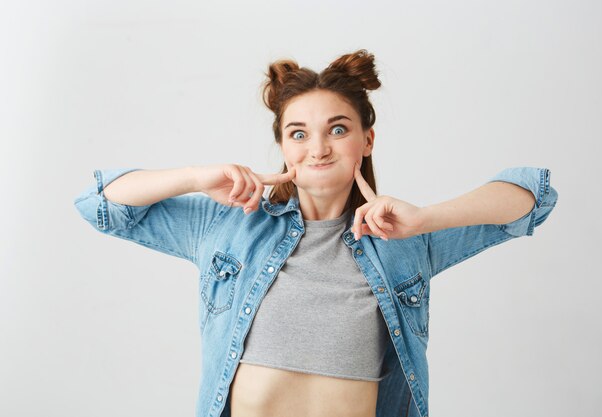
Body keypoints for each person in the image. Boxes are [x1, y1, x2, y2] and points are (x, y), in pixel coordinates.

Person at [74, 49, 558, 417]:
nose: (318, 148)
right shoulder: (231, 224)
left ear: (367, 139)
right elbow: (102, 205)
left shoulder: (402, 238)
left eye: (339, 129)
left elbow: (531, 198)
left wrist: (426, 218)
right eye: (299, 133)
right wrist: (198, 177)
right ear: (283, 146)